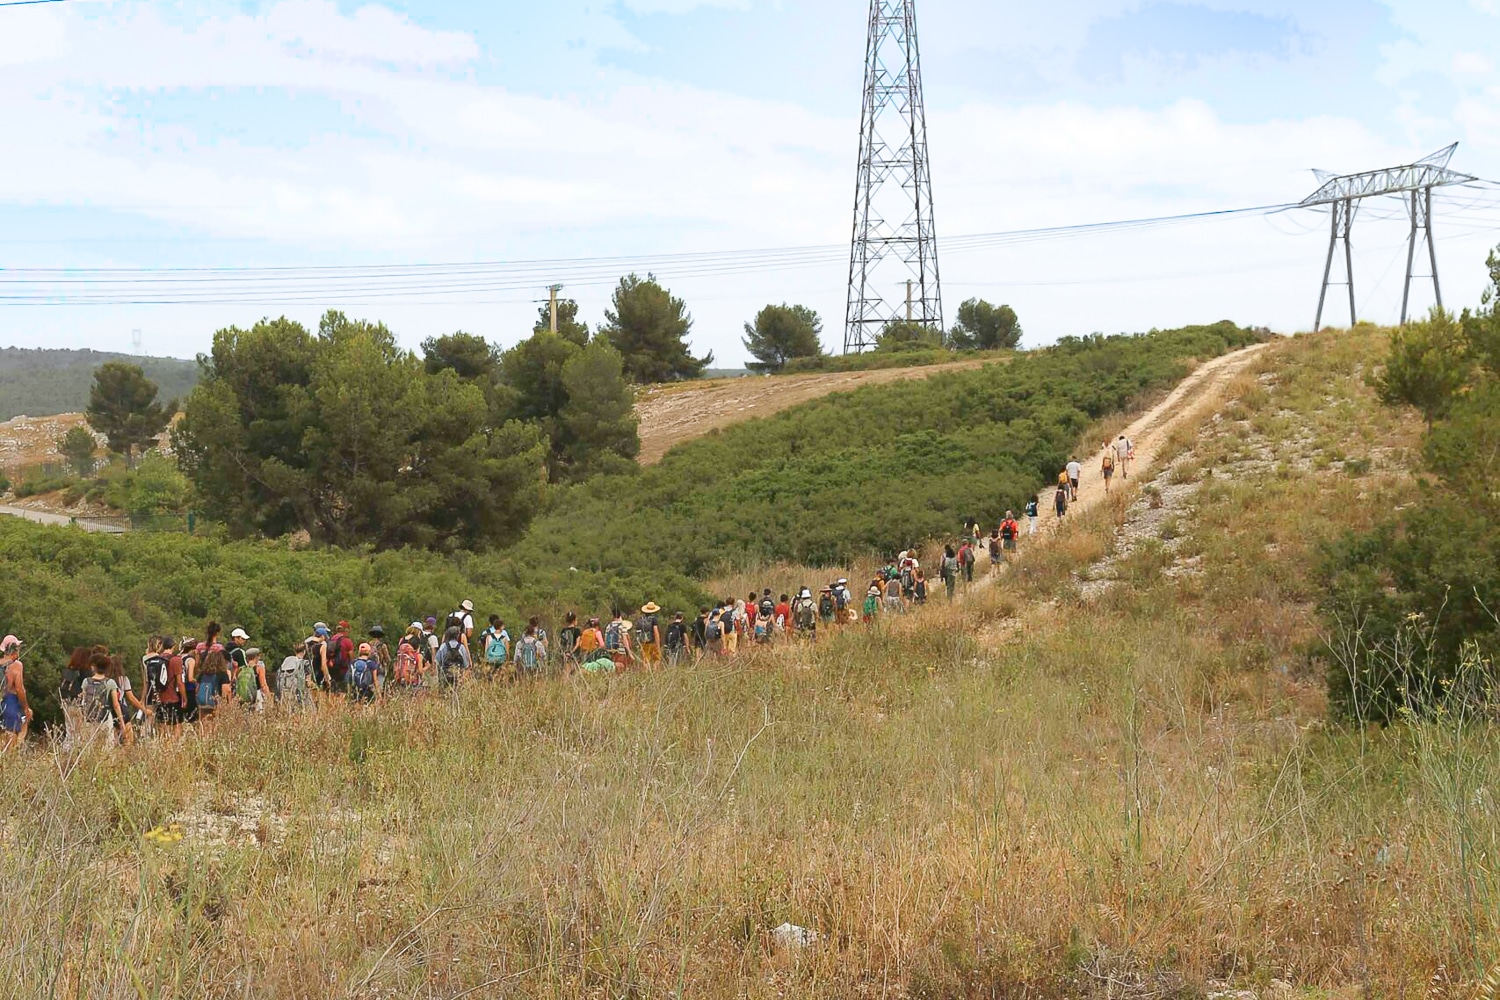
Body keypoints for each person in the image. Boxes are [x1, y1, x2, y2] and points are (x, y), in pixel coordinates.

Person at [80, 652, 123, 745]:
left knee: (90, 746)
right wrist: (121, 722)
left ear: (93, 667)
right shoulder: (110, 683)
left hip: (89, 719)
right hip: (105, 719)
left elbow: (83, 701)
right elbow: (116, 705)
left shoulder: (86, 682)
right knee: (107, 747)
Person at [150, 637, 187, 739]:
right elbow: (179, 683)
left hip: (159, 698)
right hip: (172, 698)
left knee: (162, 729)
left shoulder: (155, 660)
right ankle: (174, 749)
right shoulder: (176, 660)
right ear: (173, 647)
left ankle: (163, 749)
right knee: (176, 726)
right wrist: (184, 697)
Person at [0, 636, 32, 750]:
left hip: (1, 702)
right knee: (12, 742)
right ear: (15, 650)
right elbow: (19, 689)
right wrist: (26, 708)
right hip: (11, 703)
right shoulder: (17, 665)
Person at [113, 655, 146, 744]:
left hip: (110, 711)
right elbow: (131, 697)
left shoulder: (107, 681)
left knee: (114, 740)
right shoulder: (123, 680)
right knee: (128, 739)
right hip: (122, 710)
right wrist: (144, 709)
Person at [196, 648, 230, 733]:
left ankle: (202, 739)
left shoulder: (202, 674)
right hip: (215, 702)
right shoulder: (222, 674)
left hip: (202, 702)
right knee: (215, 724)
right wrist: (227, 703)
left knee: (203, 723)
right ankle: (212, 740)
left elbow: (197, 689)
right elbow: (226, 690)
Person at [277, 642, 313, 713]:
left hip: (285, 694)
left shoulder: (286, 661)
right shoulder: (305, 664)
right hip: (299, 695)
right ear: (304, 651)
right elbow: (308, 683)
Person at [235, 647, 272, 713]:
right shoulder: (259, 668)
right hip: (256, 695)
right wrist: (269, 697)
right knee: (257, 717)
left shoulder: (241, 669)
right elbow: (263, 684)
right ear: (256, 657)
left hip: (243, 696)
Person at [328, 621, 355, 692]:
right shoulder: (347, 641)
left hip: (331, 668)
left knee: (333, 690)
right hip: (343, 669)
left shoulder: (331, 639)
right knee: (343, 691)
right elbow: (352, 657)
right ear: (346, 629)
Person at [306, 622, 331, 692]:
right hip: (315, 676)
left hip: (304, 674)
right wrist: (327, 679)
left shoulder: (307, 642)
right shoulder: (322, 644)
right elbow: (323, 665)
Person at [637, 603, 663, 668]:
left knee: (646, 660)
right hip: (653, 642)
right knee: (656, 659)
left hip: (644, 643)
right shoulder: (654, 619)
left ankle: (646, 673)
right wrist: (658, 644)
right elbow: (656, 631)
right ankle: (654, 672)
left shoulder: (641, 619)